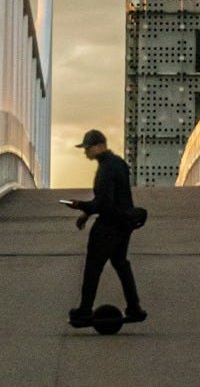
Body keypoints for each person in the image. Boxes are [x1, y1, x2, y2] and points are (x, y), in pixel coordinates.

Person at [64, 129, 146, 325]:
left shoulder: (106, 169)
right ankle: (134, 308)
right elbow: (115, 199)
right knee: (120, 262)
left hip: (109, 225)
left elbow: (104, 204)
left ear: (100, 146)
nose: (85, 153)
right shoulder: (118, 164)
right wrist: (87, 213)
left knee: (93, 267)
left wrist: (80, 206)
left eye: (88, 148)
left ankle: (84, 310)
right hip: (124, 223)